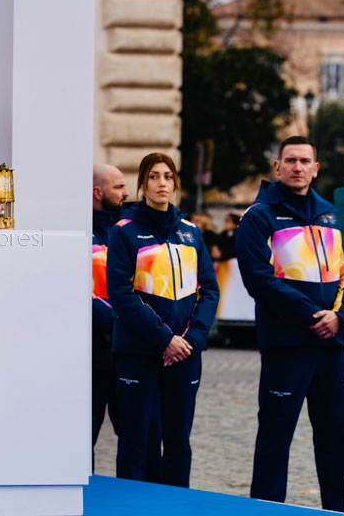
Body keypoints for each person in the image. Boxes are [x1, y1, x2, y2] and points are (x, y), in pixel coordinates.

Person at [236, 136, 344, 513]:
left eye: (305, 161)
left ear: (316, 169)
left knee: (337, 437)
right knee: (275, 438)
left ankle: (336, 510)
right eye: (290, 160)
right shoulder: (259, 217)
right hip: (287, 346)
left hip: (331, 346)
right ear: (277, 167)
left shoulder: (332, 215)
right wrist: (311, 315)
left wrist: (340, 316)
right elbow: (258, 280)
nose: (297, 167)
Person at [106, 153, 219, 487]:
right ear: (143, 184)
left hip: (185, 354)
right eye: (154, 177)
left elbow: (209, 290)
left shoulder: (191, 233)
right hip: (139, 353)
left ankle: (176, 506)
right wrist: (164, 339)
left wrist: (192, 340)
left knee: (178, 444)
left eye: (168, 177)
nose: (161, 184)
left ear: (175, 183)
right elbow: (121, 294)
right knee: (136, 442)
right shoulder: (124, 232)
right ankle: (131, 508)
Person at [91, 164, 128, 464]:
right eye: (118, 187)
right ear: (97, 192)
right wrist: (112, 322)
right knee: (82, 438)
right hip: (91, 354)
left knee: (133, 437)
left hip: (126, 350)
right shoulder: (79, 230)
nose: (126, 192)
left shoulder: (127, 229)